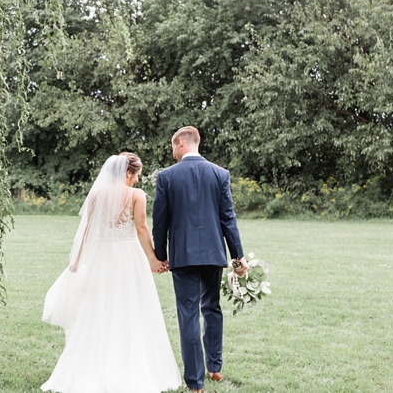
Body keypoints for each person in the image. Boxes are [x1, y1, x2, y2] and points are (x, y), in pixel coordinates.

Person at [41, 152, 182, 393]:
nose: (137, 180)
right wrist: (153, 259)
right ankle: (127, 363)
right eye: (136, 175)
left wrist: (78, 259)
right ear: (128, 172)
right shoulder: (137, 195)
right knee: (131, 308)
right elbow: (141, 229)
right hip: (129, 257)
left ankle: (99, 362)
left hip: (102, 257)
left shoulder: (97, 194)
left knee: (100, 308)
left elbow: (86, 230)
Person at [152, 126, 249, 393]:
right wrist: (237, 259)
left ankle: (195, 383)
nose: (172, 152)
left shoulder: (167, 177)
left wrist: (161, 256)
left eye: (173, 146)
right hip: (213, 255)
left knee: (188, 314)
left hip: (182, 256)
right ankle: (214, 368)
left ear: (181, 143)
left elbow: (159, 222)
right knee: (212, 307)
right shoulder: (220, 174)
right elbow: (228, 219)